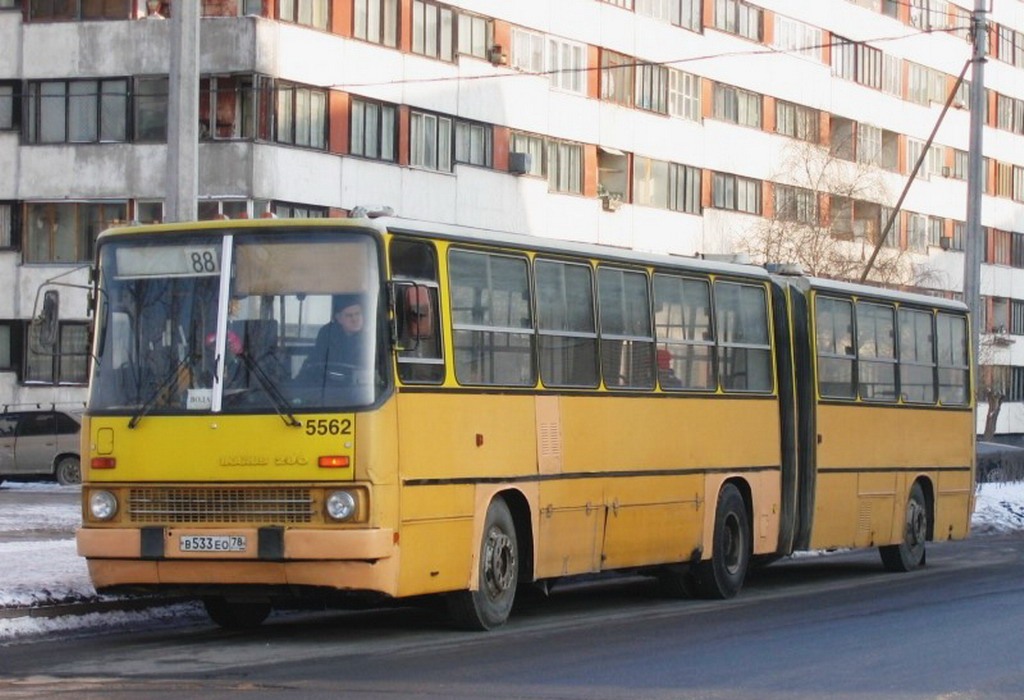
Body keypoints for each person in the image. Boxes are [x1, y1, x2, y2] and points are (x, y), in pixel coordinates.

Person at [300, 295, 369, 383]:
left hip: (362, 390)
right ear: (339, 318)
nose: (355, 319)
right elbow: (315, 362)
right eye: (349, 315)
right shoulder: (327, 334)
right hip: (329, 388)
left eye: (358, 314)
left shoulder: (371, 337)